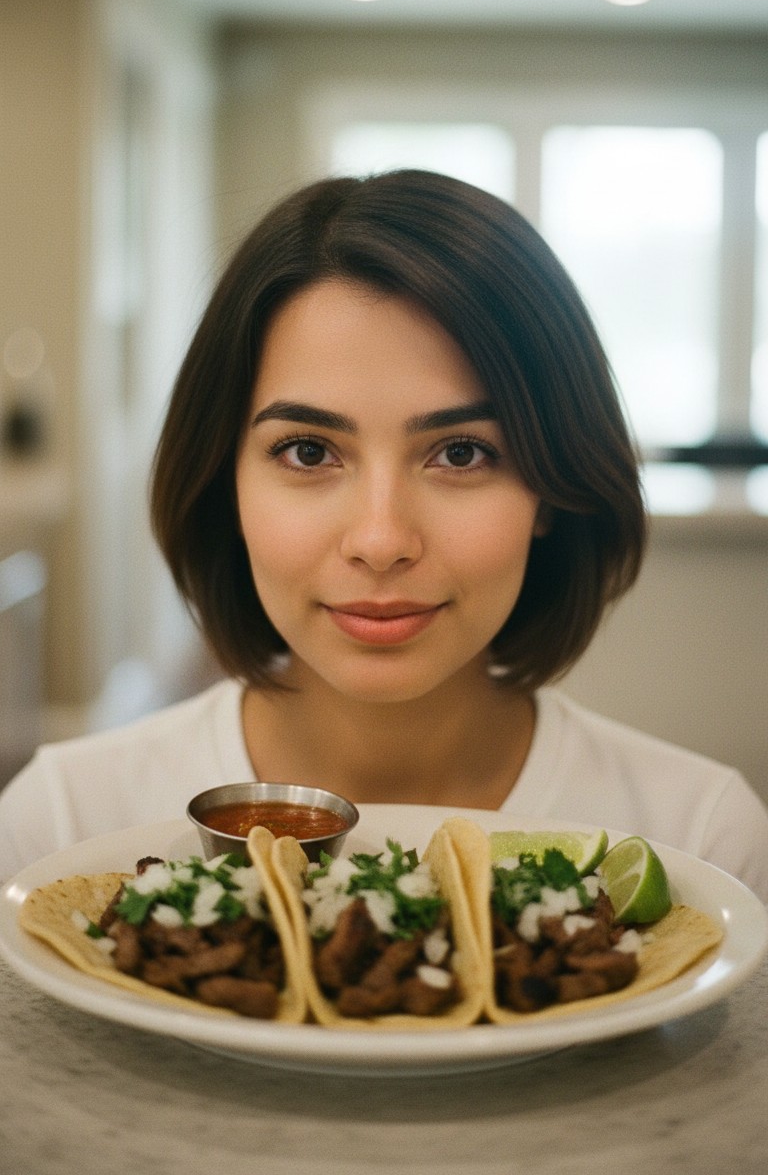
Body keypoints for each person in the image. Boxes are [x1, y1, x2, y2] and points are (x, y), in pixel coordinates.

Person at [1, 169, 767, 899]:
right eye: (308, 451)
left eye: (461, 453)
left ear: (550, 490)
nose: (380, 539)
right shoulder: (59, 828)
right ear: (224, 481)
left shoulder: (703, 844)